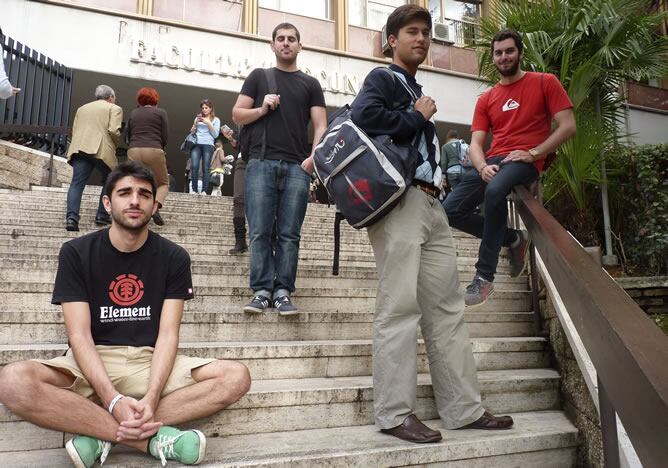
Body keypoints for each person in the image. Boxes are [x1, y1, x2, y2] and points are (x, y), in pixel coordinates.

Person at [0, 161, 251, 468]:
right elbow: (79, 336)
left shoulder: (174, 257)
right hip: (91, 360)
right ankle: (151, 439)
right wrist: (113, 399)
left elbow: (168, 334)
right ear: (107, 202)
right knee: (12, 381)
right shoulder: (76, 253)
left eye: (144, 194)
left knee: (235, 377)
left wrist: (153, 396)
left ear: (153, 204)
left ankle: (100, 430)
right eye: (125, 193)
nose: (135, 200)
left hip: (149, 360)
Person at [340, 4, 513, 443]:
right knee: (398, 307)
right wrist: (418, 115)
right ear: (391, 40)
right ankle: (395, 414)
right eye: (412, 32)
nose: (421, 39)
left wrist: (419, 115)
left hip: (432, 204)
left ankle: (464, 409)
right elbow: (364, 117)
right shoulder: (383, 78)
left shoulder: (413, 86)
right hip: (399, 204)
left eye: (426, 33)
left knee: (447, 309)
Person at [443, 28, 576, 307]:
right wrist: (480, 167)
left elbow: (568, 126)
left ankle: (484, 276)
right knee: (449, 210)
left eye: (509, 51)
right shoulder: (486, 99)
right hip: (494, 161)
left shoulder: (544, 82)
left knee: (495, 192)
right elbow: (477, 143)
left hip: (525, 161)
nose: (504, 57)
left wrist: (534, 153)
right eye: (499, 52)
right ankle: (514, 237)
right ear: (493, 57)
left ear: (520, 53)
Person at [232, 22, 327, 315]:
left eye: (292, 39)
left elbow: (321, 125)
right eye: (281, 39)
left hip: (298, 166)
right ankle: (261, 290)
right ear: (272, 45)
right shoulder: (260, 77)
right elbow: (237, 114)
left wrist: (313, 160)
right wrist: (261, 108)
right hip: (260, 163)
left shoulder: (310, 84)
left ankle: (283, 290)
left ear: (300, 46)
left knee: (289, 233)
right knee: (259, 230)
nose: (286, 43)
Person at [65, 85, 122, 232]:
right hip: (101, 149)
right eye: (114, 98)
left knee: (77, 183)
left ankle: (72, 218)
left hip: (80, 147)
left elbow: (75, 130)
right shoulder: (114, 108)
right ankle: (102, 215)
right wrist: (113, 146)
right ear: (110, 97)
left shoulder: (82, 108)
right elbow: (114, 131)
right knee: (111, 179)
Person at [126, 87, 169, 225]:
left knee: (135, 181)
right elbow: (165, 136)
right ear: (155, 99)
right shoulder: (161, 113)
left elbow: (127, 135)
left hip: (134, 150)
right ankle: (155, 208)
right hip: (154, 149)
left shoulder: (133, 113)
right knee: (162, 183)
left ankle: (133, 207)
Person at [190, 99, 221, 194]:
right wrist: (195, 124)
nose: (204, 110)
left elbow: (215, 135)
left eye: (206, 108)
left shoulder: (216, 119)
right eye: (202, 108)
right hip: (196, 144)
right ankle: (194, 190)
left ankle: (204, 190)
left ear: (211, 109)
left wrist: (208, 123)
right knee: (194, 166)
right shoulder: (197, 118)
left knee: (206, 167)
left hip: (208, 144)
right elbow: (192, 132)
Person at [225, 126, 248, 255]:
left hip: (261, 159)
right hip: (242, 160)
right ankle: (240, 241)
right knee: (238, 198)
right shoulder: (243, 121)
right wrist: (231, 140)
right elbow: (240, 146)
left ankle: (270, 239)